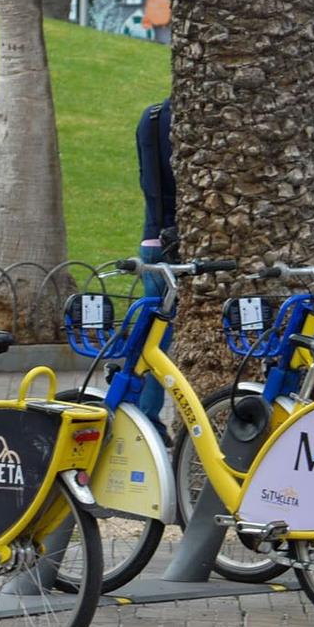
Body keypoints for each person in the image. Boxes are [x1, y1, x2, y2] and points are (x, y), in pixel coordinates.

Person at [134, 99, 177, 429]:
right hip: (181, 243)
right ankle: (146, 417)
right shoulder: (190, 118)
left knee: (153, 334)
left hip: (153, 238)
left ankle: (142, 413)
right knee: (160, 338)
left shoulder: (151, 117)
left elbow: (144, 176)